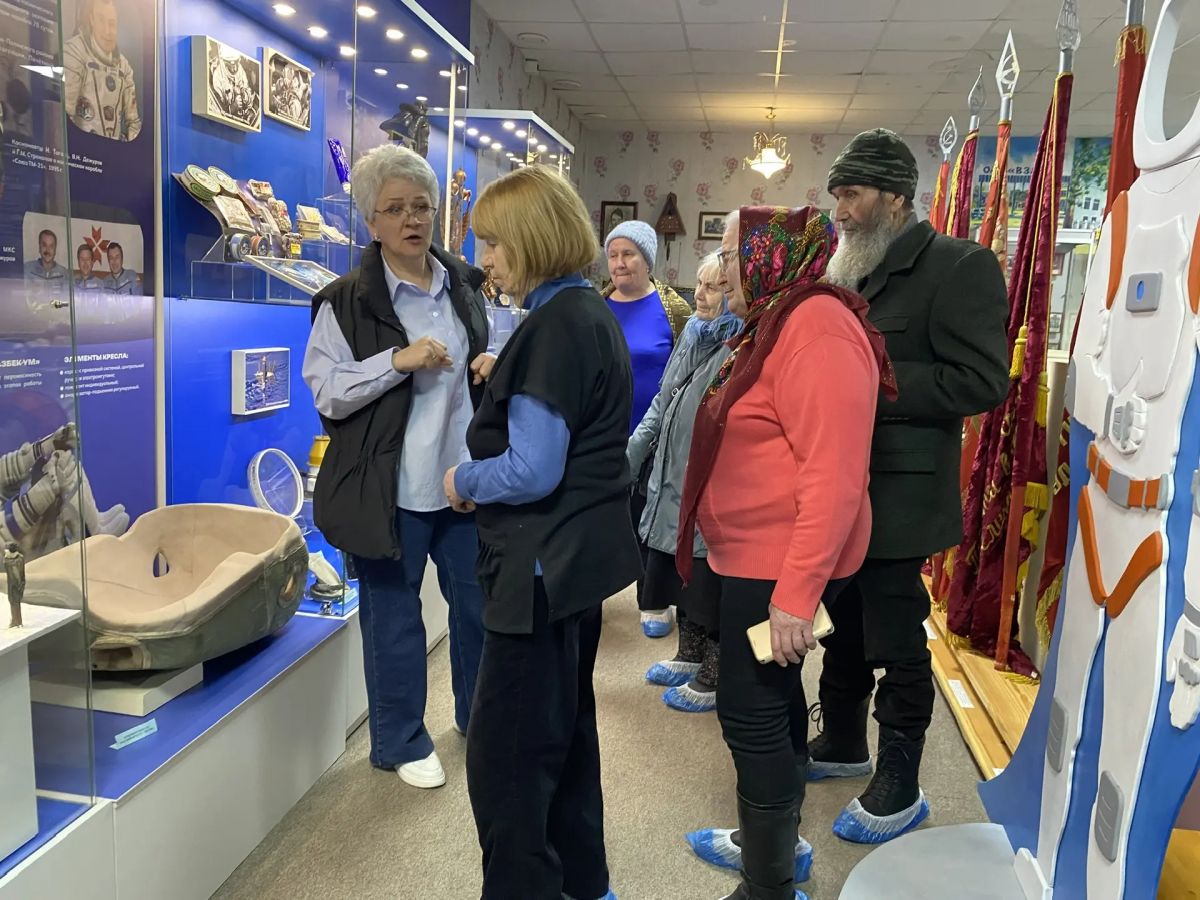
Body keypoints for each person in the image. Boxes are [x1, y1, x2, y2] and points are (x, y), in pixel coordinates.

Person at [679, 206, 896, 900]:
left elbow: (834, 477)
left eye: (731, 252)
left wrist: (796, 597)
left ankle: (767, 886)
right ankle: (777, 849)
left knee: (751, 712)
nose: (723, 269)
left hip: (780, 565)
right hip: (757, 558)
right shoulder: (778, 318)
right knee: (769, 700)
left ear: (770, 254)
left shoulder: (816, 326)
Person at [445, 165, 639, 900]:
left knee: (507, 762)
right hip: (570, 568)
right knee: (564, 735)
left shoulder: (555, 327)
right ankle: (584, 883)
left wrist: (463, 481)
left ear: (530, 239)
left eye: (494, 244)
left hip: (536, 569)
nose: (485, 261)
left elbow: (531, 469)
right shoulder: (586, 312)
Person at [811, 129, 1009, 843]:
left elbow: (982, 380)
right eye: (837, 195)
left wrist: (873, 381)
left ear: (896, 198)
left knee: (896, 637)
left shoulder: (960, 266)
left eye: (853, 194)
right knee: (842, 620)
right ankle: (842, 739)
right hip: (839, 485)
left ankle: (903, 779)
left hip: (900, 496)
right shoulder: (850, 270)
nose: (840, 210)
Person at [302, 143, 491, 791]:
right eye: (395, 209)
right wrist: (396, 362)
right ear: (370, 221)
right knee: (394, 623)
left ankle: (478, 716)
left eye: (422, 206)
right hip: (387, 490)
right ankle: (401, 741)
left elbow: (484, 361)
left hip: (462, 482)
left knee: (478, 609)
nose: (412, 219)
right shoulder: (344, 301)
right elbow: (327, 391)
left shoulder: (465, 284)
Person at [629, 252, 740, 714]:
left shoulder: (740, 343)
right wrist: (635, 450)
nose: (701, 295)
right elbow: (664, 398)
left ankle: (713, 672)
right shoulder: (694, 331)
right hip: (672, 471)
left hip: (709, 481)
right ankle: (688, 653)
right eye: (699, 284)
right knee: (678, 570)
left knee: (707, 579)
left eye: (713, 287)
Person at [602, 219, 691, 639]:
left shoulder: (674, 309)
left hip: (656, 436)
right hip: (604, 433)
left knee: (648, 516)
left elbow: (690, 368)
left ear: (647, 260)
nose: (619, 263)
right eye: (613, 255)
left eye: (629, 254)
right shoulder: (596, 305)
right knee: (602, 517)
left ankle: (653, 598)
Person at [63, 0, 142, 142]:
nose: (107, 31)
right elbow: (65, 117)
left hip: (113, 153)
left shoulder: (124, 67)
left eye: (112, 23)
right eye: (101, 20)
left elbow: (134, 123)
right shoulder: (75, 53)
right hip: (82, 151)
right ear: (91, 20)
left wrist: (129, 150)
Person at [24, 229, 68, 294]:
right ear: (39, 248)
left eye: (51, 246)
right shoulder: (27, 269)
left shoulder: (63, 273)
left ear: (55, 250)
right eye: (44, 245)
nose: (47, 250)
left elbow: (66, 298)